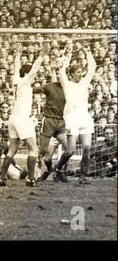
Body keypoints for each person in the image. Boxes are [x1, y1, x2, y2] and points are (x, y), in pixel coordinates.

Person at [0, 40, 50, 187]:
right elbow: (33, 69)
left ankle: (2, 178)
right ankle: (31, 178)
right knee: (33, 149)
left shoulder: (16, 79)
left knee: (12, 148)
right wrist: (41, 55)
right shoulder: (26, 81)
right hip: (22, 118)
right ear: (27, 73)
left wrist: (18, 54)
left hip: (13, 118)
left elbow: (16, 68)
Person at [55, 43, 97, 184]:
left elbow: (93, 68)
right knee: (71, 150)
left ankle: (83, 176)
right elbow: (61, 69)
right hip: (71, 119)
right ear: (72, 73)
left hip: (84, 118)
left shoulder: (84, 83)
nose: (81, 74)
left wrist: (88, 51)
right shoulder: (66, 84)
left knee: (87, 148)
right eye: (78, 72)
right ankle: (58, 168)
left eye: (81, 72)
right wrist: (66, 54)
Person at [32, 56, 68, 182]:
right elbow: (35, 90)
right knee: (44, 154)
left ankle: (60, 171)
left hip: (62, 123)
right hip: (48, 122)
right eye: (57, 73)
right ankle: (45, 171)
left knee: (69, 150)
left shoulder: (69, 89)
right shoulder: (50, 86)